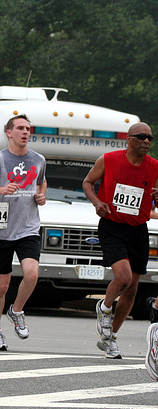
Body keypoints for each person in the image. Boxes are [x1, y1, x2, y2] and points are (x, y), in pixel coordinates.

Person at [83, 122, 158, 359]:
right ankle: (104, 307)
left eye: (150, 138)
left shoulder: (155, 166)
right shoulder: (109, 159)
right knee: (123, 278)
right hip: (112, 226)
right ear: (129, 139)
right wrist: (97, 203)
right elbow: (87, 183)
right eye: (141, 137)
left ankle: (110, 338)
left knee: (132, 288)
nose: (146, 142)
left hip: (138, 229)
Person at [0, 114, 47, 351]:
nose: (25, 132)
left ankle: (16, 311)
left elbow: (42, 182)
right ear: (9, 132)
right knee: (2, 286)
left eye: (28, 129)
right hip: (2, 229)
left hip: (28, 227)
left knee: (32, 273)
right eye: (20, 128)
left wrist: (41, 195)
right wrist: (1, 189)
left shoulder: (38, 159)